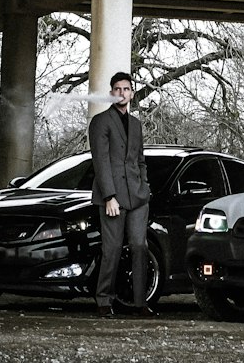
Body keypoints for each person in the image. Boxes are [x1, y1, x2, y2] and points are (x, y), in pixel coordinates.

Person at [88, 71, 153, 318]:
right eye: (117, 89)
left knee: (139, 246)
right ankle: (104, 299)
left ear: (132, 94)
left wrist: (144, 187)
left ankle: (140, 302)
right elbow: (101, 162)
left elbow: (140, 160)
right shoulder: (100, 121)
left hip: (137, 197)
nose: (122, 93)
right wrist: (108, 197)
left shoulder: (136, 124)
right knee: (112, 249)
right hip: (113, 197)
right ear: (111, 93)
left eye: (126, 89)